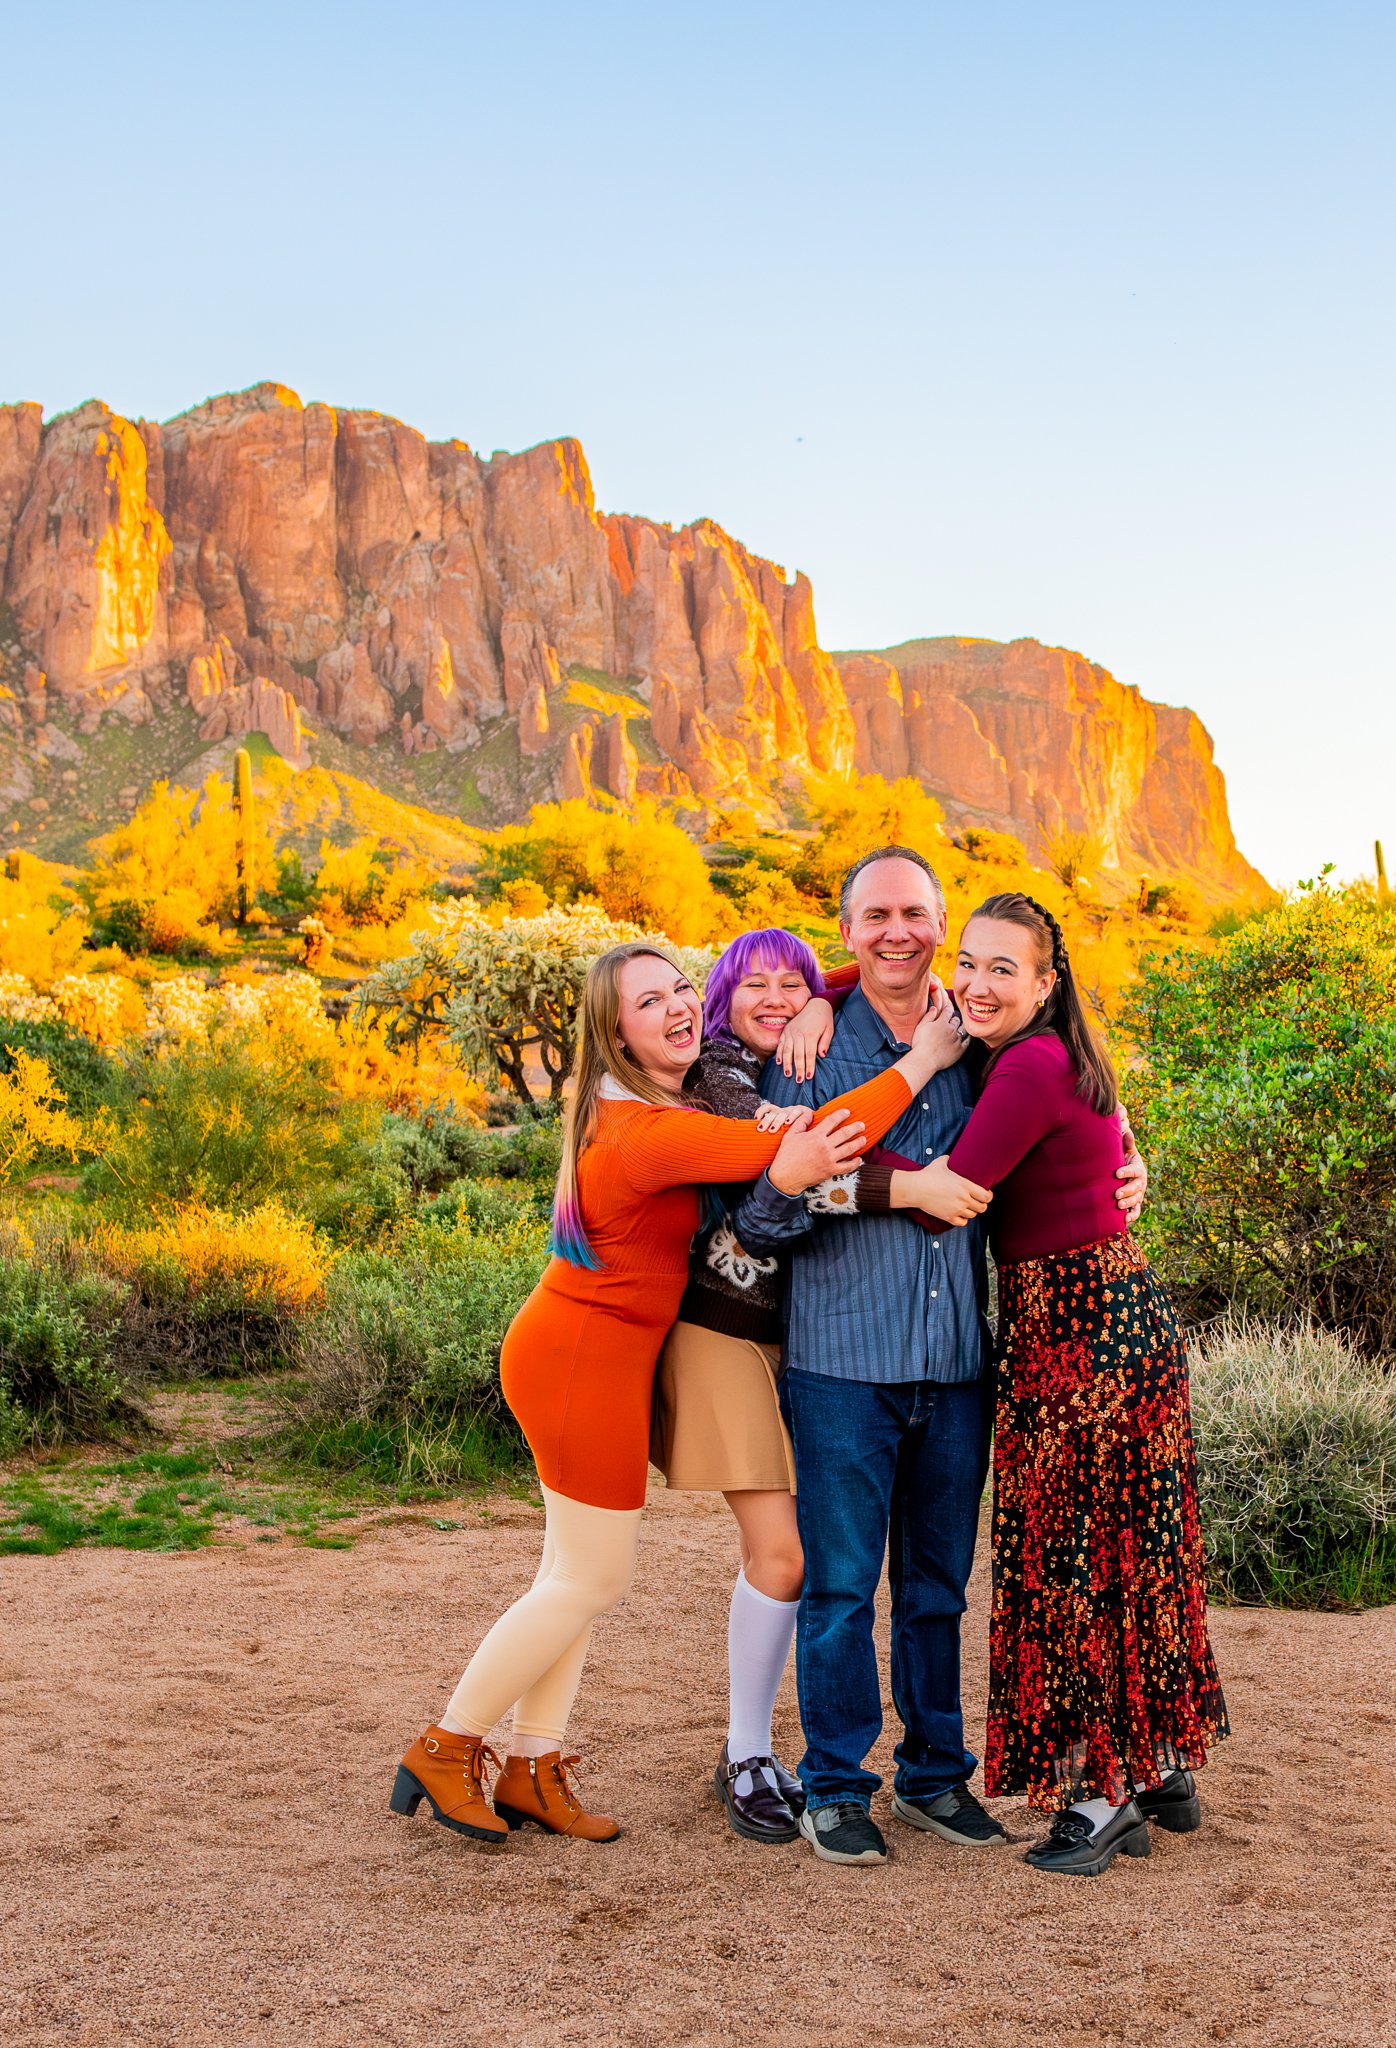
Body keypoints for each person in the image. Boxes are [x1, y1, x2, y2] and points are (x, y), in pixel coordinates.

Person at [390, 940, 949, 1846]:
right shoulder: (652, 1131)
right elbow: (819, 1135)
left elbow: (809, 1028)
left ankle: (533, 1765)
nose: (680, 1008)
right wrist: (923, 1058)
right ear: (616, 1033)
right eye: (650, 1004)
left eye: (683, 989)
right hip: (584, 1361)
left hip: (590, 1353)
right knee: (591, 1578)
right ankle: (448, 1746)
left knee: (567, 1577)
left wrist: (829, 990)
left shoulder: (636, 1105)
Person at [732, 848, 1147, 1867]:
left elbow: (1072, 1116)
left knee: (936, 1588)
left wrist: (1131, 1165)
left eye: (914, 913)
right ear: (845, 928)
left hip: (960, 1365)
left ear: (941, 923)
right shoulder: (803, 1051)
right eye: (874, 914)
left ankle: (932, 1774)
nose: (896, 933)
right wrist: (898, 1188)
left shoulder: (986, 1043)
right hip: (840, 1360)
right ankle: (835, 1784)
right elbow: (768, 1208)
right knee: (838, 1587)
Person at [887, 892, 1228, 1875]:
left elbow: (948, 1198)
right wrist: (828, 991)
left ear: (1047, 982)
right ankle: (1156, 1761)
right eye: (968, 962)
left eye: (1004, 968)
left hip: (1078, 1334)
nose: (977, 983)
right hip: (1116, 1319)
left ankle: (1100, 1793)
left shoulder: (1030, 1064)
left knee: (1074, 1559)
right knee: (1132, 1548)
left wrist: (830, 1172)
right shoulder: (1057, 1052)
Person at [650, 928, 969, 1844]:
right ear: (719, 998)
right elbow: (788, 1189)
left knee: (815, 1560)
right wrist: (911, 1180)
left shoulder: (803, 1034)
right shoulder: (722, 1073)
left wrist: (829, 992)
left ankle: (764, 1753)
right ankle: (751, 1754)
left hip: (790, 1339)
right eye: (752, 984)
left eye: (790, 982)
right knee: (794, 1559)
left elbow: (871, 962)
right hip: (724, 1327)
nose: (778, 997)